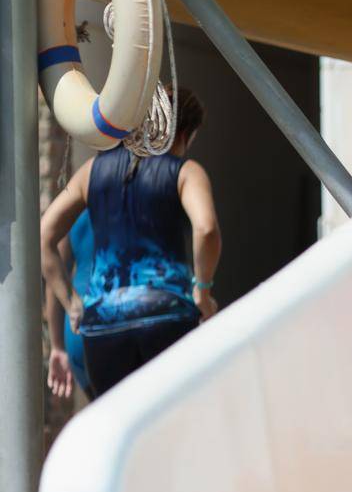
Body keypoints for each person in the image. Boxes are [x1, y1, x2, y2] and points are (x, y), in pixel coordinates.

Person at [39, 87, 221, 397]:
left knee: (118, 421)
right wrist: (202, 290)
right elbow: (205, 229)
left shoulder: (91, 171)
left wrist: (71, 303)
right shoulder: (185, 172)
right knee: (169, 424)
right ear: (185, 133)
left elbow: (46, 234)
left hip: (103, 323)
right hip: (167, 314)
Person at [45, 212, 95, 401]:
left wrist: (57, 346)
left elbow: (54, 278)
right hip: (143, 312)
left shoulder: (74, 198)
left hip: (79, 323)